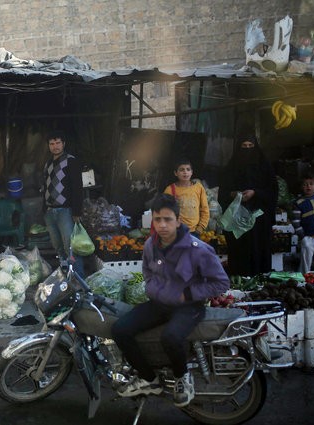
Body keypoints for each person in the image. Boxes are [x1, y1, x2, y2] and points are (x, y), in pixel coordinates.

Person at [111, 194, 229, 407]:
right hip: (159, 304)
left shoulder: (198, 249)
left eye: (167, 219)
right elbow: (147, 269)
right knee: (120, 329)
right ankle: (149, 379)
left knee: (171, 337)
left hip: (188, 307)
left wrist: (189, 294)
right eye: (157, 220)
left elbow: (221, 283)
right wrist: (152, 287)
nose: (162, 225)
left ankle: (182, 377)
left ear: (178, 221)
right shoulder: (150, 245)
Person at [218, 130, 278, 276]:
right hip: (238, 223)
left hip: (259, 220)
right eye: (244, 146)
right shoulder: (231, 169)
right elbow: (222, 193)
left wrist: (255, 193)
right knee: (240, 254)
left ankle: (260, 281)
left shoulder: (264, 167)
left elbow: (272, 191)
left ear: (256, 146)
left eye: (250, 145)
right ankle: (239, 283)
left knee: (259, 251)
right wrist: (234, 194)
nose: (247, 149)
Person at [41, 130, 84, 276]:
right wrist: (44, 209)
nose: (55, 146)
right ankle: (65, 276)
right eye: (52, 144)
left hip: (65, 211)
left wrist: (77, 212)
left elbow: (78, 188)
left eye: (58, 143)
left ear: (63, 144)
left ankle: (78, 279)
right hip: (50, 211)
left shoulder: (70, 161)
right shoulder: (48, 164)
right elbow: (46, 186)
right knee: (58, 247)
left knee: (70, 247)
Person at [162, 158, 209, 237]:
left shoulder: (198, 187)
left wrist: (201, 226)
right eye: (181, 170)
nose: (185, 172)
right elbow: (164, 210)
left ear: (191, 172)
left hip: (195, 231)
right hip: (177, 231)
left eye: (188, 169)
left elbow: (205, 208)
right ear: (175, 173)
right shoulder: (170, 190)